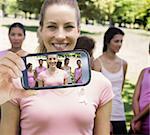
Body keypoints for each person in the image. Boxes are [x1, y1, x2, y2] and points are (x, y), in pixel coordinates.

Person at [0, 0, 114, 135]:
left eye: (68, 27)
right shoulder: (17, 83)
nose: (60, 36)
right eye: (52, 27)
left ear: (78, 30)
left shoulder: (101, 84)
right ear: (41, 30)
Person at [93, 27, 128, 134]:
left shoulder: (124, 64)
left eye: (121, 41)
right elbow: (95, 93)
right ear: (107, 41)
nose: (119, 44)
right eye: (116, 41)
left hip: (120, 113)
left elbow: (119, 90)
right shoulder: (97, 63)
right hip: (103, 115)